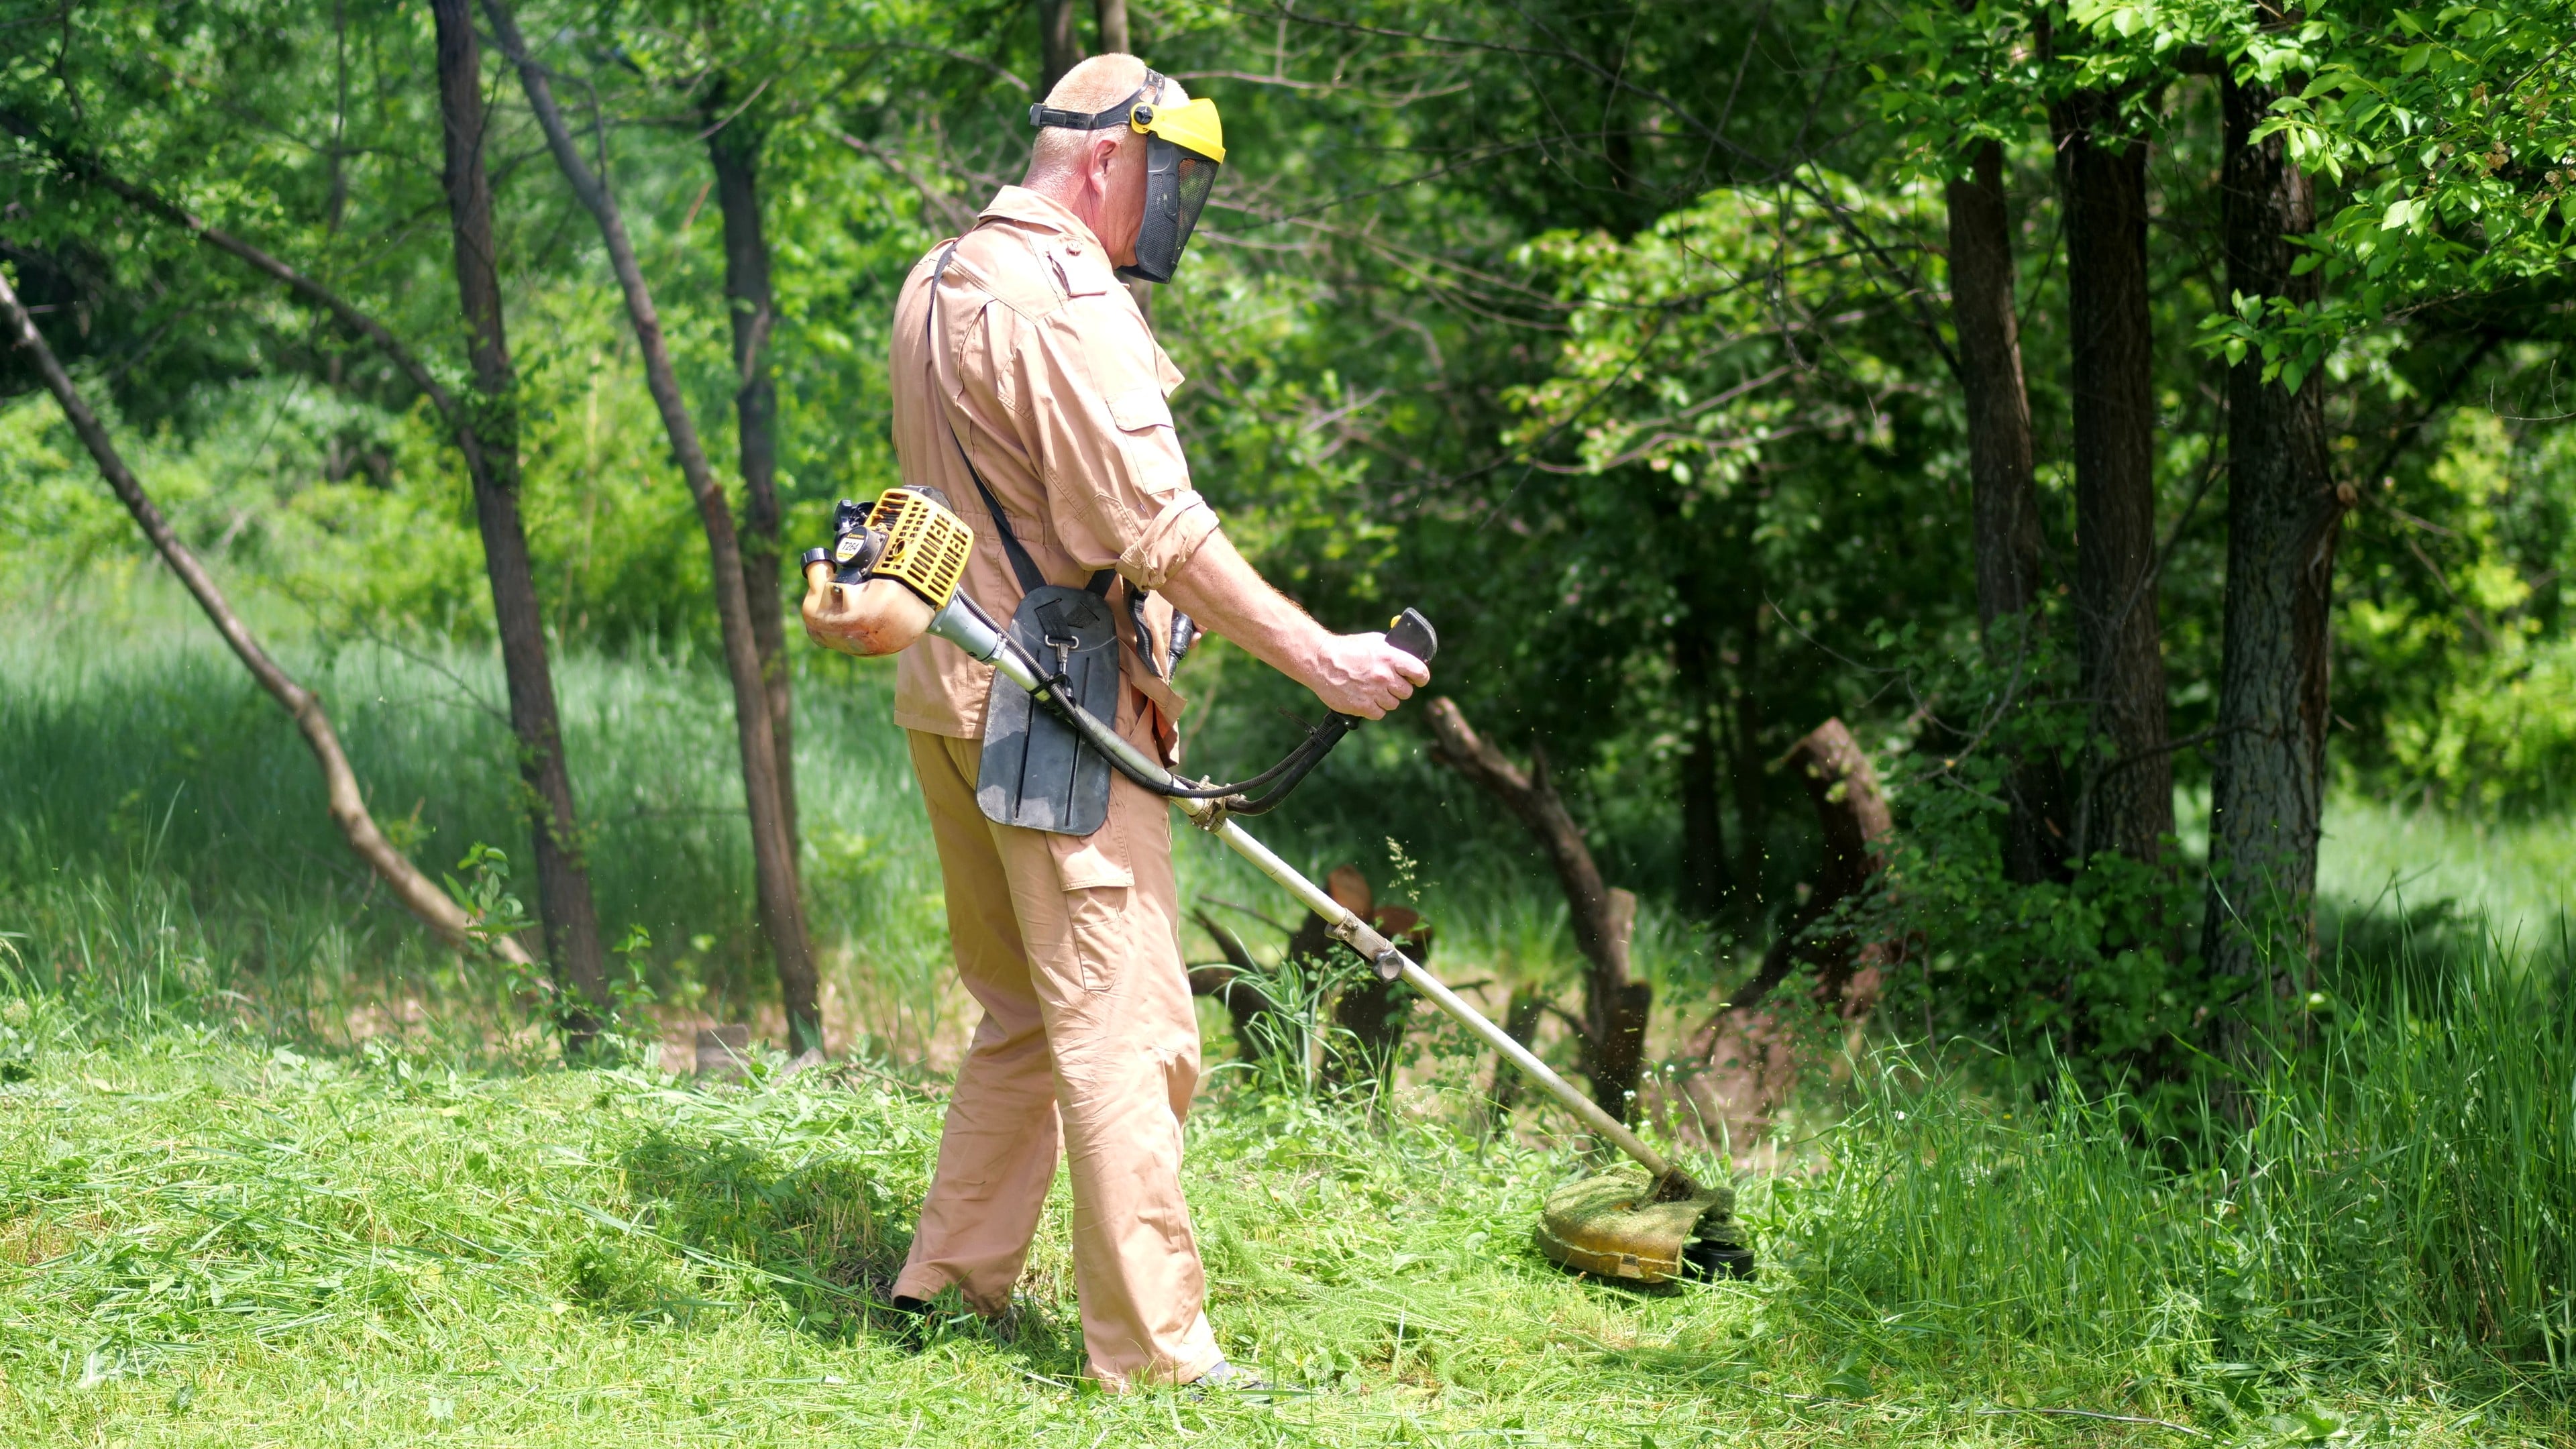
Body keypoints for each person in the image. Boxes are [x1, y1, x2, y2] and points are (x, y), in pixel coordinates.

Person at [879, 53, 1430, 1389]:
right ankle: (1162, 1361)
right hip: (1058, 718)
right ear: (1109, 154)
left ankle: (946, 1291)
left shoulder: (940, 277)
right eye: (1170, 174)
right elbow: (1158, 529)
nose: (1176, 206)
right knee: (1130, 1035)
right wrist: (1322, 659)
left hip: (952, 694)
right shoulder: (1066, 300)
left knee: (1021, 1009)